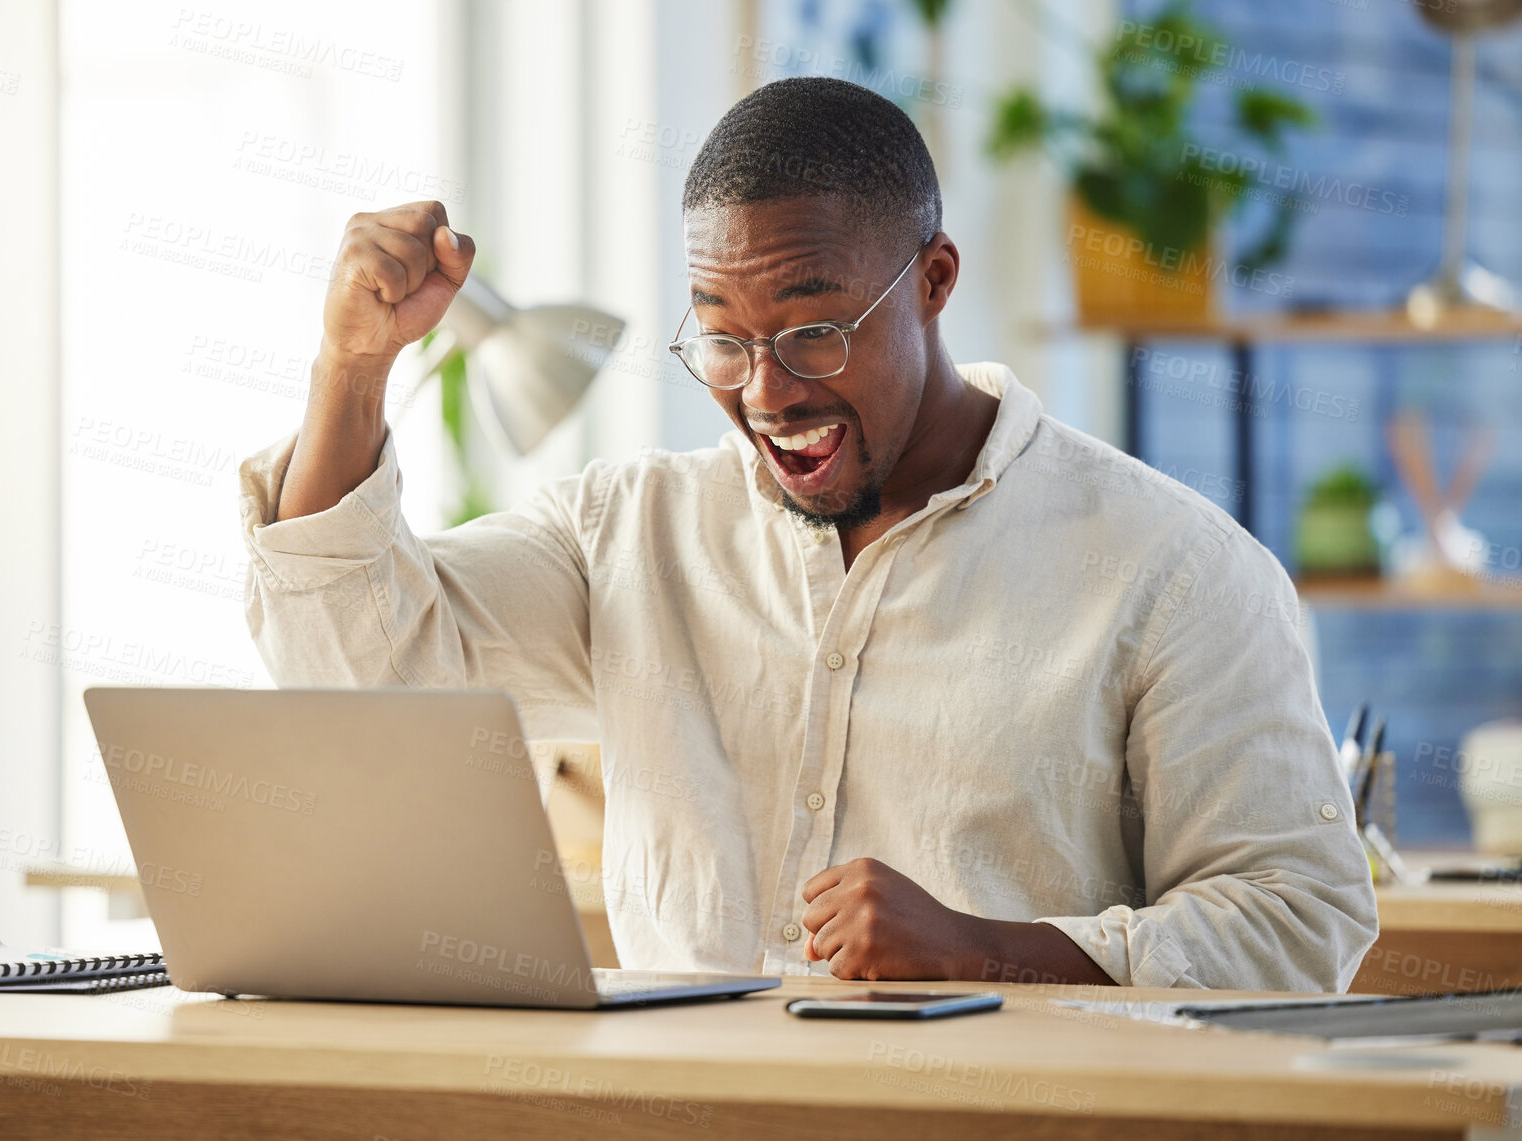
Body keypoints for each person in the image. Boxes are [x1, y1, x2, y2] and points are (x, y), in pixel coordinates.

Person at [238, 77, 1377, 990]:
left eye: (813, 330)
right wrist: (353, 365)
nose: (765, 393)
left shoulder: (1171, 568)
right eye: (722, 339)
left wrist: (988, 946)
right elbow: (363, 669)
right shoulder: (626, 529)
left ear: (932, 281)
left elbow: (1298, 919)